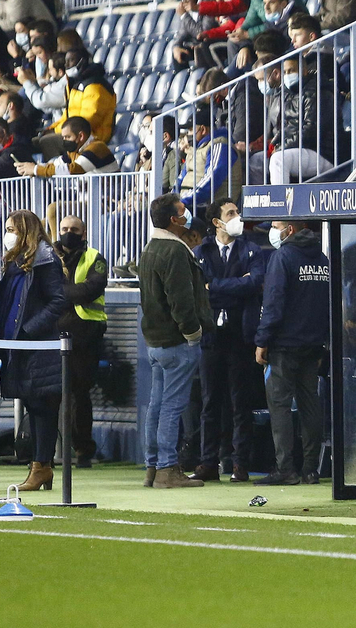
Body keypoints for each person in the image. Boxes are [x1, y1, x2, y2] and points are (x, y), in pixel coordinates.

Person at [0, 210, 70, 493]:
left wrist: (31, 330)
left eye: (12, 228)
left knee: (43, 407)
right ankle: (40, 466)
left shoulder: (45, 260)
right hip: (17, 346)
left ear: (26, 230)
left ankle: (41, 467)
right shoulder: (16, 261)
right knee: (34, 405)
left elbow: (58, 301)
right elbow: (10, 299)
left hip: (37, 347)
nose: (8, 233)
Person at [137, 194, 214, 489]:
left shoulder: (150, 248)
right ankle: (168, 468)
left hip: (155, 339)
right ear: (173, 219)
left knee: (156, 404)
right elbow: (181, 301)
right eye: (183, 210)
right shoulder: (175, 251)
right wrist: (193, 334)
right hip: (176, 341)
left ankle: (153, 467)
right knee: (172, 406)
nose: (188, 214)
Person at [194, 199, 268, 483]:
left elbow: (255, 284)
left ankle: (240, 464)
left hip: (241, 335)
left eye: (237, 212)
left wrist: (216, 286)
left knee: (241, 403)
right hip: (211, 336)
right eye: (231, 213)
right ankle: (208, 463)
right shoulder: (200, 252)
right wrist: (237, 285)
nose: (238, 217)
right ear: (216, 222)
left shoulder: (252, 249)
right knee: (210, 403)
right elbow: (201, 289)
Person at [254, 220, 329, 486]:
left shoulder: (282, 257)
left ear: (290, 230)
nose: (273, 232)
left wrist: (262, 340)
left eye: (277, 226)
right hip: (313, 345)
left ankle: (285, 468)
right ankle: (311, 469)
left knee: (280, 406)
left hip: (284, 345)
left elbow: (273, 301)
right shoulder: (322, 259)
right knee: (310, 406)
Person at [50, 214, 107, 471]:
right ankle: (47, 452)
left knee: (80, 395)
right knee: (52, 395)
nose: (68, 233)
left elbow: (91, 289)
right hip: (53, 334)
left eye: (74, 229)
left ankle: (83, 450)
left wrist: (58, 293)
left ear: (83, 233)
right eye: (64, 229)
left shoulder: (95, 257)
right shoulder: (48, 256)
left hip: (86, 335)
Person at [16, 116, 118, 177]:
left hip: (108, 200)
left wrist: (36, 170)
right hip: (90, 199)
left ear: (81, 136)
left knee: (54, 209)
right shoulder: (74, 152)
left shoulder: (97, 147)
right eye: (63, 137)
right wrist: (29, 168)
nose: (64, 141)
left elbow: (73, 170)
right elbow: (55, 165)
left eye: (68, 137)